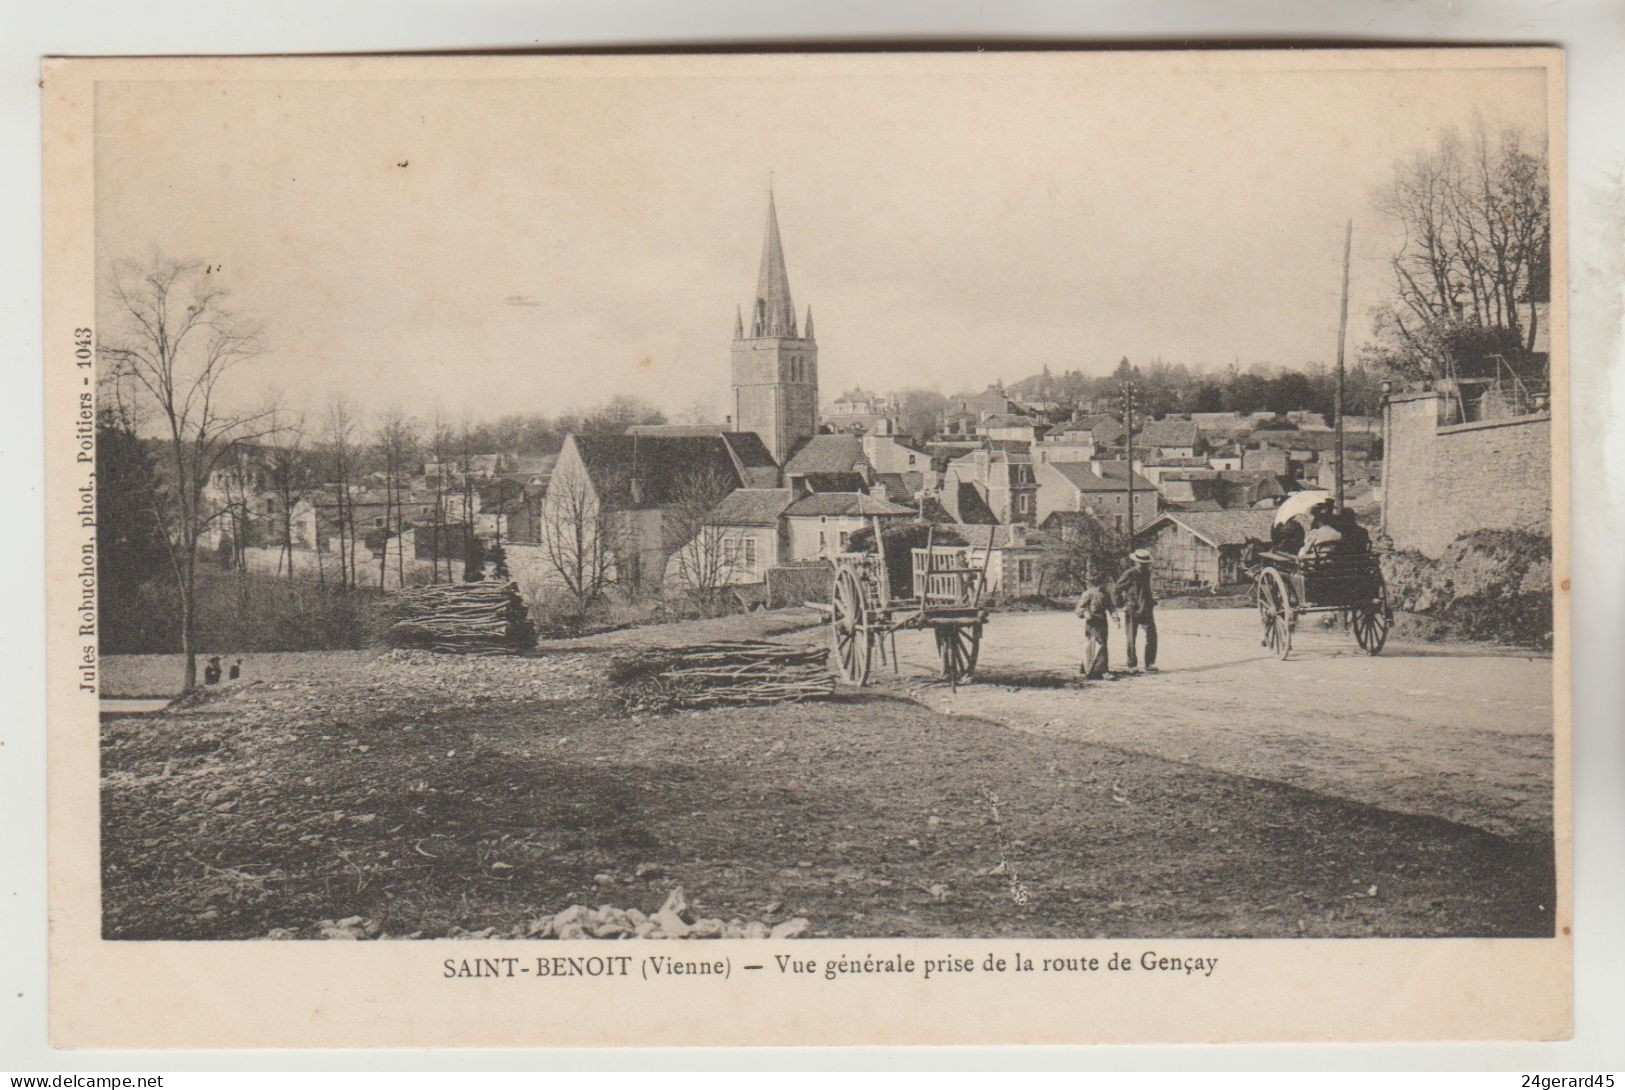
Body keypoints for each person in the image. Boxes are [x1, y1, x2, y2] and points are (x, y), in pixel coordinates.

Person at [1113, 549, 1158, 672]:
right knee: (1131, 638)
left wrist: (1152, 600)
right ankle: (1132, 665)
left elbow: (1146, 590)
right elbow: (1116, 590)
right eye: (1141, 562)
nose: (1144, 565)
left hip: (1147, 609)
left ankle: (1149, 663)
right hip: (1132, 609)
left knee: (1152, 636)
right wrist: (1123, 605)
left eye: (1146, 562)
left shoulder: (1147, 573)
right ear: (1135, 562)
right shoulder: (1129, 573)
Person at [1074, 569, 1116, 680]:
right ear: (1098, 582)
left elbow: (1111, 607)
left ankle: (1099, 669)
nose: (1106, 584)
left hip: (1102, 622)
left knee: (1102, 644)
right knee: (1092, 644)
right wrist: (1085, 613)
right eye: (1105, 582)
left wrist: (1116, 618)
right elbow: (1079, 608)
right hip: (1092, 622)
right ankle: (1096, 670)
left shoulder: (1106, 594)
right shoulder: (1088, 593)